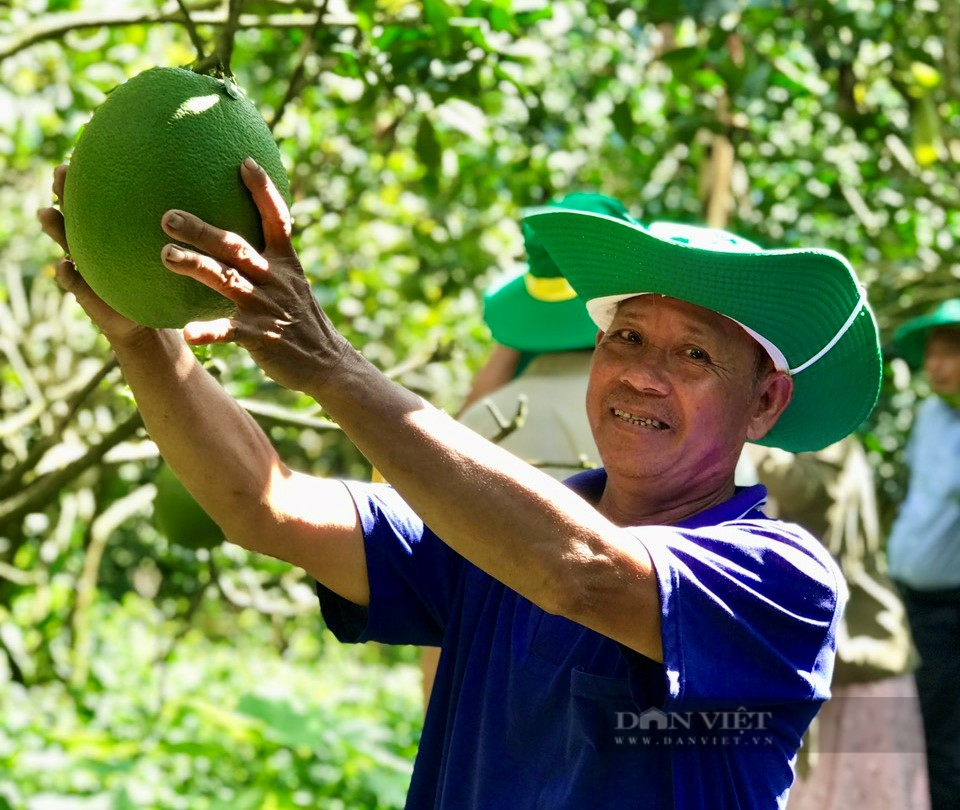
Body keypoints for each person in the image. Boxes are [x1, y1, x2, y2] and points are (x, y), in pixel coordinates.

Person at [39, 160, 883, 808]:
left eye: (693, 353)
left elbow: (582, 575)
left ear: (765, 402)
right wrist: (144, 340)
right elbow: (261, 503)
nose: (642, 375)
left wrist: (334, 368)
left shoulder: (781, 577)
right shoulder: (490, 534)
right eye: (625, 337)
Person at [741, 439, 928, 810]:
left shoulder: (830, 438)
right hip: (834, 660)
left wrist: (752, 441)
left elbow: (812, 495)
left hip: (858, 658)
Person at [886, 298, 960, 810]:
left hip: (950, 611)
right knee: (914, 725)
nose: (935, 365)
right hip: (910, 598)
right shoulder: (932, 414)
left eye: (949, 352)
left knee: (943, 736)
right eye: (931, 353)